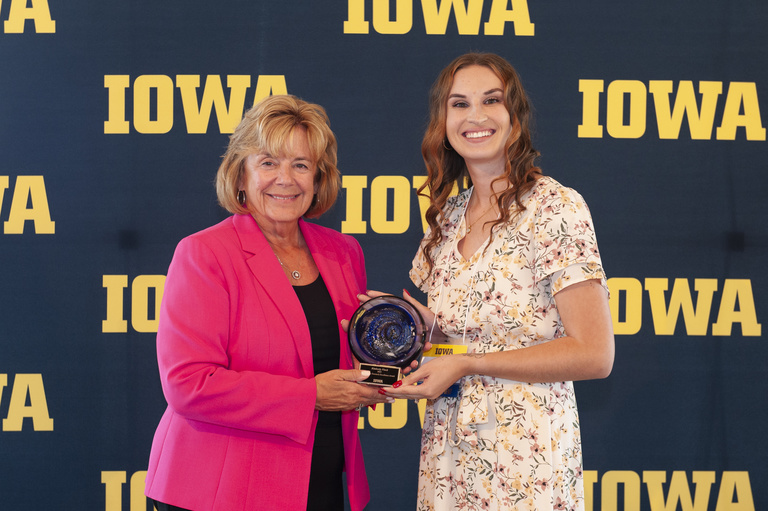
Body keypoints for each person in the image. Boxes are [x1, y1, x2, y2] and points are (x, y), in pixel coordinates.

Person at [382, 53, 615, 510]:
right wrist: (424, 331)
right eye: (459, 104)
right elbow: (460, 345)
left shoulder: (554, 208)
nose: (476, 116)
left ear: (515, 116)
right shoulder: (447, 219)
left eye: (491, 100)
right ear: (443, 121)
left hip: (525, 457)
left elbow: (594, 353)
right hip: (448, 453)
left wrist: (469, 364)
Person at [144, 94, 391, 511]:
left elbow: (352, 358)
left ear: (318, 177)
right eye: (268, 163)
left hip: (321, 479)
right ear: (241, 175)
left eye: (301, 165)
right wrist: (310, 395)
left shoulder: (343, 252)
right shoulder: (205, 254)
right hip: (220, 489)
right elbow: (189, 384)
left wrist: (399, 353)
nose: (286, 179)